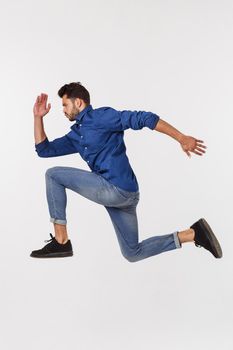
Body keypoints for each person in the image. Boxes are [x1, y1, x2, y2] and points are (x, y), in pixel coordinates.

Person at [30, 82, 222, 261]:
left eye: (65, 105)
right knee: (132, 253)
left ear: (78, 102)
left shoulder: (101, 117)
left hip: (116, 190)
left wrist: (181, 137)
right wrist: (38, 117)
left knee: (53, 175)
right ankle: (193, 234)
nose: (63, 110)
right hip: (126, 195)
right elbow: (44, 150)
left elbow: (144, 118)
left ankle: (61, 241)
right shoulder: (76, 135)